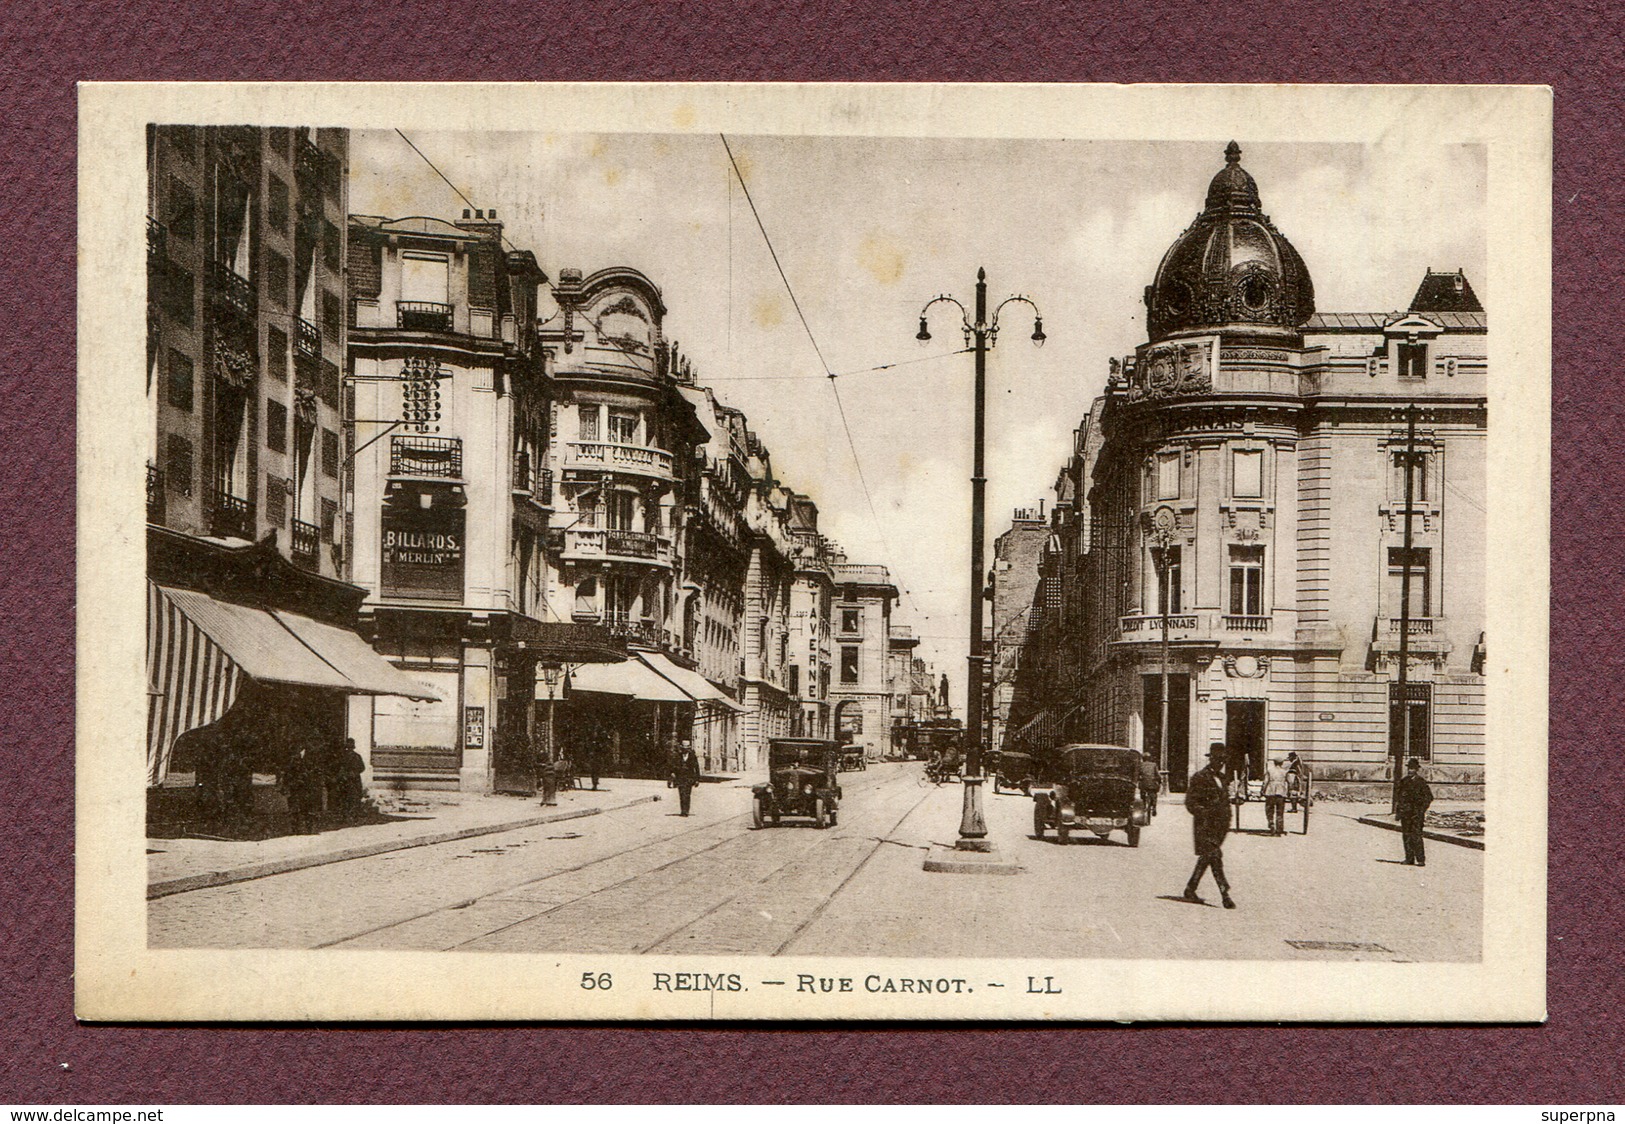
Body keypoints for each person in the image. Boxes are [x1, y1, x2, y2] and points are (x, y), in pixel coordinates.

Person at [1182, 743, 1236, 908]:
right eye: (1218, 759)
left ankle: (1190, 888)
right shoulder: (1200, 777)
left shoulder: (1223, 778)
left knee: (1207, 857)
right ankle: (1224, 894)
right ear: (1211, 759)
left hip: (1220, 827)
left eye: (1223, 760)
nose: (1221, 763)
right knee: (1215, 856)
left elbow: (1224, 800)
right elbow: (1190, 802)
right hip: (1205, 826)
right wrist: (1205, 813)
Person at [1397, 757, 1434, 866]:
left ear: (1416, 770)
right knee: (1406, 836)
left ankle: (1421, 859)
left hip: (1416, 814)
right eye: (1409, 768)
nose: (1410, 771)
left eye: (1412, 769)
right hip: (1406, 814)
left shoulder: (1421, 782)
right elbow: (1399, 797)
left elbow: (1429, 797)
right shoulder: (1404, 781)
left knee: (1416, 836)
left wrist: (1421, 810)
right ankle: (1409, 858)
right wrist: (1399, 812)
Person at [1262, 755, 1290, 836]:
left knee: (1269, 809)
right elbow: (1290, 782)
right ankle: (1279, 829)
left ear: (1274, 763)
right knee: (1280, 811)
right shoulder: (1284, 771)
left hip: (1270, 792)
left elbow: (1265, 782)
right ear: (1282, 763)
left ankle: (1271, 824)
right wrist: (1288, 791)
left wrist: (1262, 791)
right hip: (1281, 792)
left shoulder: (1270, 771)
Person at [672, 741, 701, 816]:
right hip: (680, 778)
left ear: (689, 748)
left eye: (687, 748)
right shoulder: (678, 756)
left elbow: (696, 768)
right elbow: (674, 766)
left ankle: (686, 810)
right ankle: (683, 811)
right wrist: (673, 774)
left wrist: (697, 779)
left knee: (687, 795)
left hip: (689, 778)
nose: (685, 750)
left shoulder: (692, 756)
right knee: (681, 794)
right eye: (684, 748)